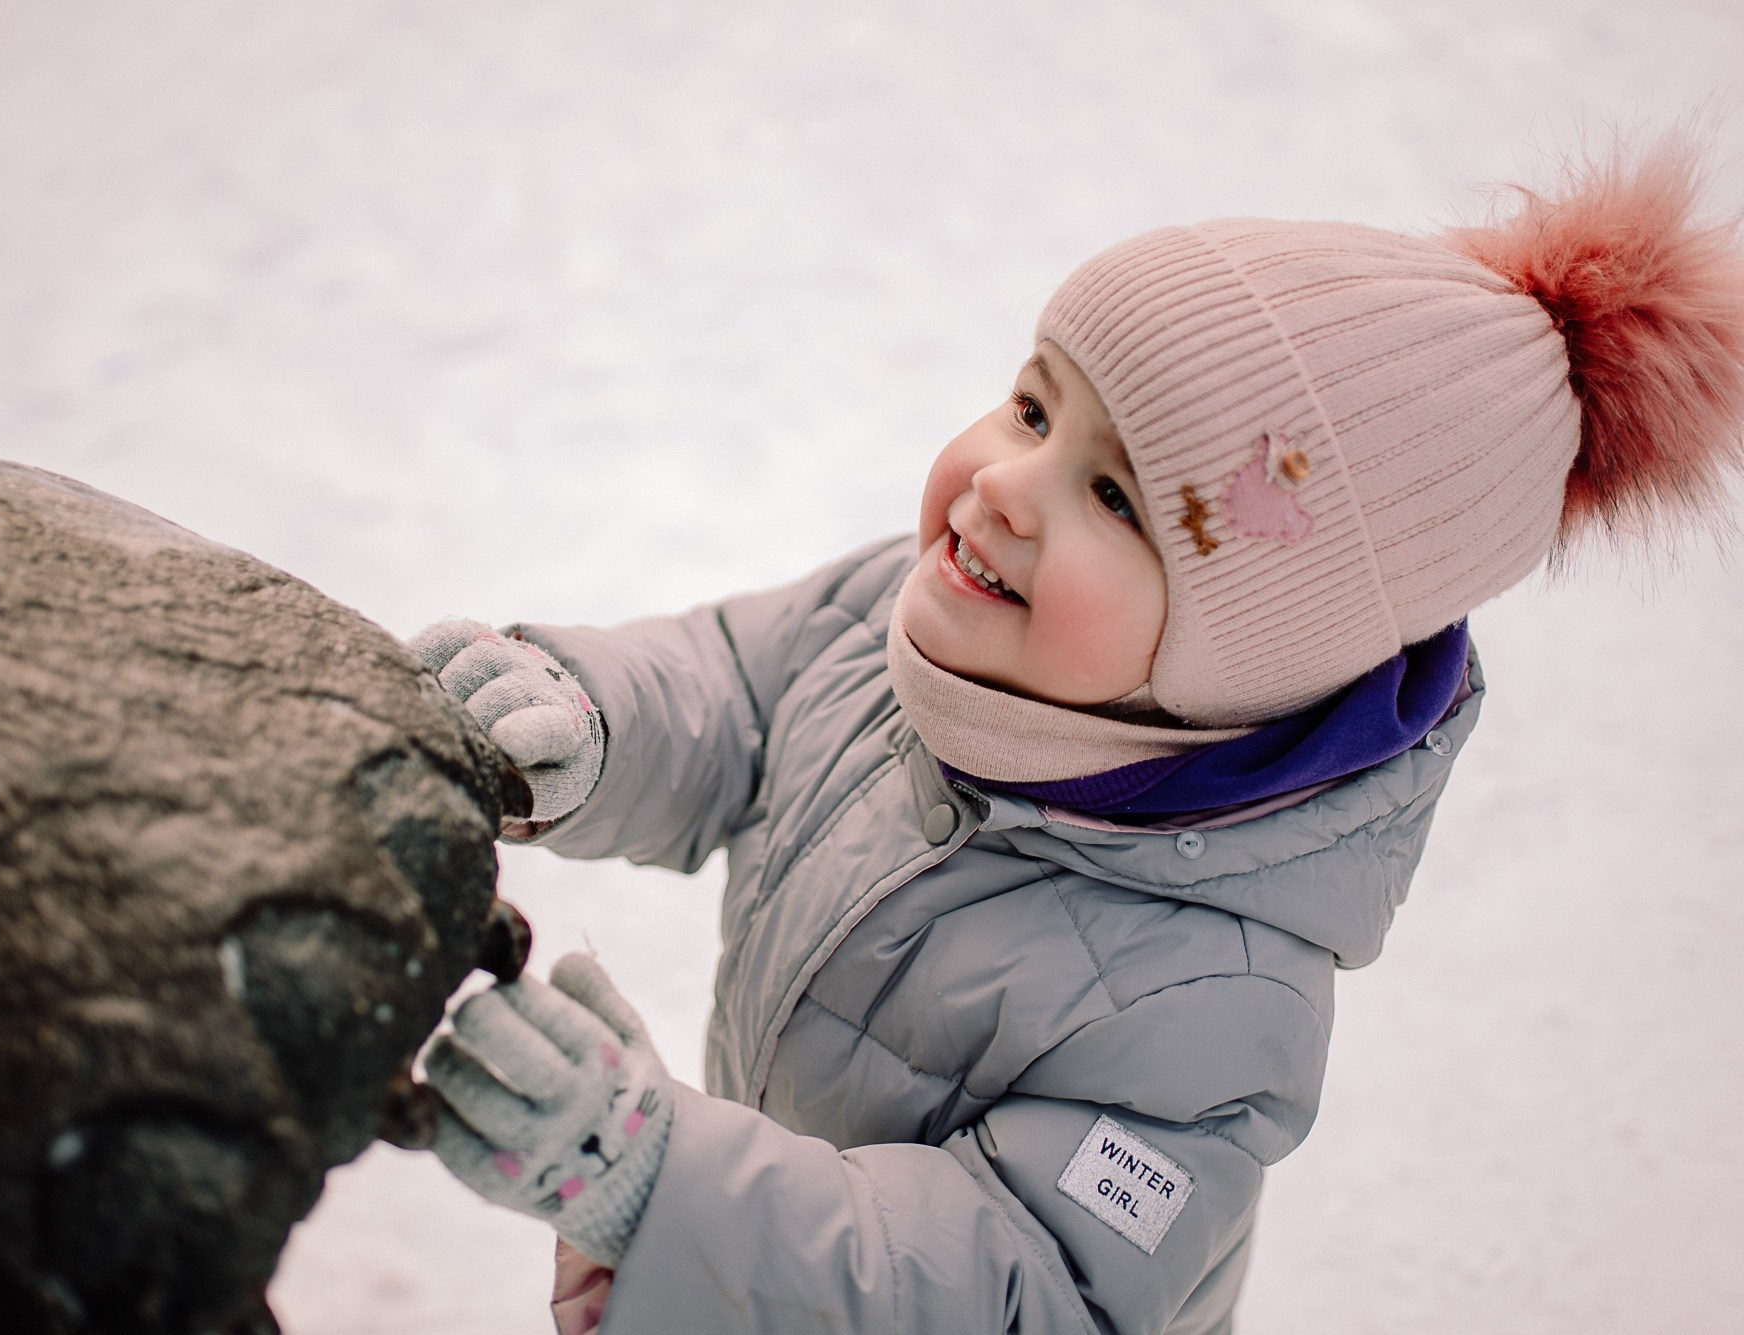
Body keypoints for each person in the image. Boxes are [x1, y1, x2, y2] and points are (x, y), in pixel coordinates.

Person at [405, 136, 1744, 1334]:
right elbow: (738, 690)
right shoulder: (923, 617)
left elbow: (1027, 1286)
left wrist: (659, 1185)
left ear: (1248, 653)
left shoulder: (1210, 1002)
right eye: (1035, 408)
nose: (1005, 485)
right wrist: (581, 719)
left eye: (1115, 496)